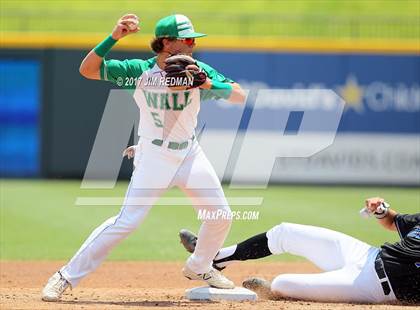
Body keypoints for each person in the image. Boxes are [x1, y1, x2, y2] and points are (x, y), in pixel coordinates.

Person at [42, 13, 246, 301]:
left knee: (220, 215)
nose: (192, 44)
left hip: (189, 153)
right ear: (166, 43)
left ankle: (199, 266)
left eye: (192, 39)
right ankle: (64, 276)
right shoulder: (139, 70)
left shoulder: (197, 69)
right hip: (154, 156)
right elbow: (88, 70)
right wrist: (114, 37)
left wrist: (206, 84)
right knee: (127, 222)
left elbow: (240, 95)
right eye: (186, 39)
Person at [179, 197, 420, 304]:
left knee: (283, 284)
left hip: (375, 285)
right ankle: (217, 259)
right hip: (367, 254)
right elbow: (393, 221)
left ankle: (273, 291)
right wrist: (381, 210)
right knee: (286, 232)